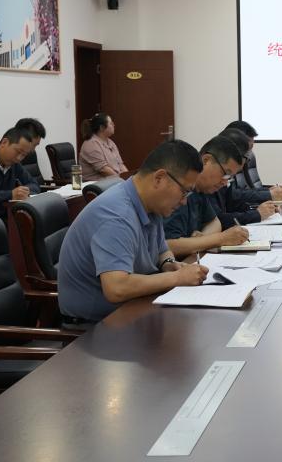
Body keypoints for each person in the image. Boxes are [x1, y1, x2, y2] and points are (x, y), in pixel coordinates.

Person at [57, 139, 209, 324]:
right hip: (97, 327)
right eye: (184, 192)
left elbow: (161, 250)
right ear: (159, 178)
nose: (184, 201)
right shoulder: (117, 215)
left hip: (133, 309)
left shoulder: (150, 204)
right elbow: (117, 288)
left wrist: (169, 264)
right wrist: (177, 277)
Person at [164, 135, 251, 258]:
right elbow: (166, 245)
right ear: (206, 161)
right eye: (225, 174)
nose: (225, 182)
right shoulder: (177, 188)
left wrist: (202, 240)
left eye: (230, 178)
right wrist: (218, 239)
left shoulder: (200, 189)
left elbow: (215, 222)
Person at [211, 128, 279, 227]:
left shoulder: (223, 175)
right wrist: (256, 214)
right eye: (246, 152)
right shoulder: (206, 184)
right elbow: (219, 219)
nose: (249, 157)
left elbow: (233, 202)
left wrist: (262, 209)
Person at [225, 120, 282, 203]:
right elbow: (232, 196)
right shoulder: (224, 162)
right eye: (247, 148)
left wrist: (268, 191)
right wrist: (268, 194)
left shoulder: (245, 157)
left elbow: (249, 190)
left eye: (251, 148)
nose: (249, 154)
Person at [78, 112, 128, 180]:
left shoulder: (111, 142)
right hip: (97, 184)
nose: (114, 125)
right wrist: (122, 180)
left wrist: (128, 178)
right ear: (102, 127)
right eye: (111, 123)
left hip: (113, 181)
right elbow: (104, 170)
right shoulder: (91, 144)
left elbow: (120, 164)